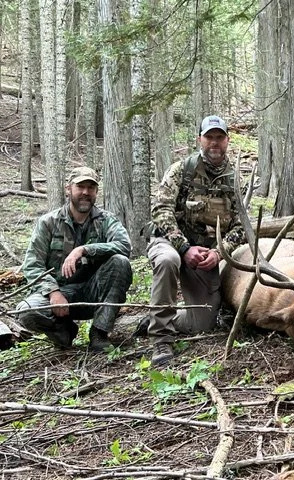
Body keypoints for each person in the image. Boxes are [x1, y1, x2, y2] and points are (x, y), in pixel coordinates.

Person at [145, 115, 245, 366]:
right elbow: (161, 210)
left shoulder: (234, 180)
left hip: (204, 256)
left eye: (219, 137)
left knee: (202, 323)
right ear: (199, 139)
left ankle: (158, 316)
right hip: (171, 242)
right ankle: (161, 340)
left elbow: (242, 226)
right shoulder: (182, 170)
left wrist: (220, 253)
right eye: (209, 137)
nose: (214, 143)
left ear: (227, 140)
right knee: (167, 261)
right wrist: (183, 247)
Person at [16, 166, 133, 350]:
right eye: (80, 187)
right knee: (26, 311)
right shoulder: (49, 222)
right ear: (68, 189)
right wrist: (53, 292)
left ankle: (99, 333)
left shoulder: (106, 220)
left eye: (91, 188)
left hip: (93, 292)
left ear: (96, 192)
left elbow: (125, 246)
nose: (85, 192)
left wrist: (85, 249)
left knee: (120, 262)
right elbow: (32, 265)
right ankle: (64, 330)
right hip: (59, 296)